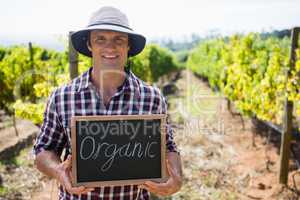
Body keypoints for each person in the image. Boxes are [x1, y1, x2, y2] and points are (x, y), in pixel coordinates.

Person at [33, 6, 182, 200]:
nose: (110, 47)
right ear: (89, 45)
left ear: (128, 46)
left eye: (118, 39)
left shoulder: (152, 97)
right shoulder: (62, 97)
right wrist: (57, 171)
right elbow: (44, 150)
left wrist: (177, 178)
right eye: (100, 39)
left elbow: (168, 147)